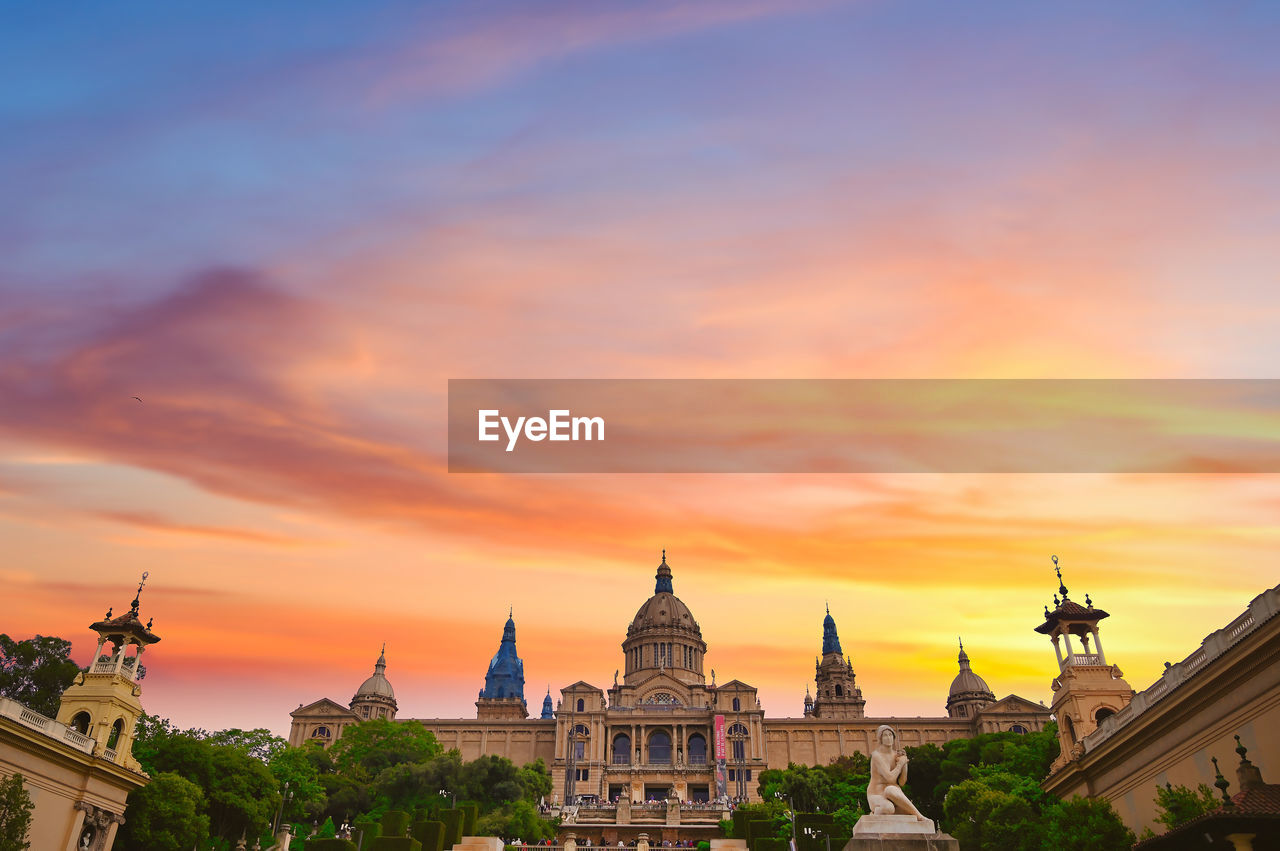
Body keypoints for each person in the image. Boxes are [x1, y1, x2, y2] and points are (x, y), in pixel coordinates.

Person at [866, 725, 926, 821]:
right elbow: (890, 778)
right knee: (888, 808)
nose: (888, 738)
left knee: (891, 791)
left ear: (894, 738)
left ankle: (918, 815)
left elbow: (902, 782)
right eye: (885, 735)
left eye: (890, 735)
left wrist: (904, 764)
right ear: (880, 739)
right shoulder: (877, 756)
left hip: (894, 795)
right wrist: (900, 764)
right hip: (876, 795)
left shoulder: (896, 755)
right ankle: (919, 816)